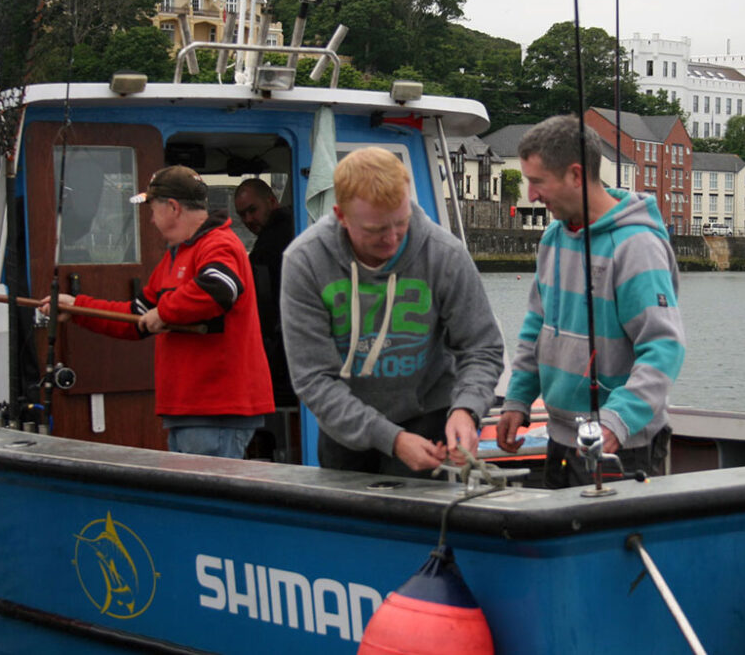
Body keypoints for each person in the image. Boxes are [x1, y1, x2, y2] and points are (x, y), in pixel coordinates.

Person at [280, 146, 504, 476]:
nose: (392, 239)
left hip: (429, 415)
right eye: (374, 230)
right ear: (341, 216)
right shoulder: (305, 262)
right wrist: (393, 439)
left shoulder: (444, 254)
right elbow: (314, 379)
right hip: (345, 429)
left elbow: (481, 348)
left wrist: (467, 409)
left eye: (401, 223)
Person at [496, 115, 685, 488]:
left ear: (576, 176)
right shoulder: (553, 237)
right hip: (560, 439)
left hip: (623, 448)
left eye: (537, 182)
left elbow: (664, 348)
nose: (531, 195)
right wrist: (518, 399)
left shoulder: (636, 247)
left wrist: (617, 420)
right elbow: (537, 325)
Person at [40, 165, 275, 458]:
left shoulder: (220, 244)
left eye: (153, 208)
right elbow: (136, 318)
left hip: (215, 412)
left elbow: (219, 288)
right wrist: (77, 308)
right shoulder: (174, 257)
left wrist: (164, 313)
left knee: (202, 502)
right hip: (189, 413)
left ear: (173, 208)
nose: (150, 219)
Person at [233, 178, 299, 459]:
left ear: (272, 202)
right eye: (242, 215)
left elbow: (264, 304)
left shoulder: (275, 242)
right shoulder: (285, 231)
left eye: (253, 210)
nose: (248, 219)